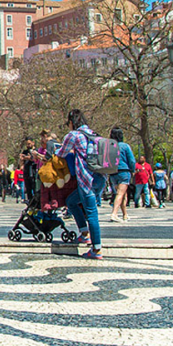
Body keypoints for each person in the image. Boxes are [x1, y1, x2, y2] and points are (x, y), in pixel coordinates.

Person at [58, 109, 104, 259]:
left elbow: (61, 153)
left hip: (86, 179)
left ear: (71, 122)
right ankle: (84, 233)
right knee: (71, 201)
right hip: (100, 178)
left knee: (91, 213)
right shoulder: (94, 134)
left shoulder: (74, 135)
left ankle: (96, 249)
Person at [107, 129, 132, 222]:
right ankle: (114, 213)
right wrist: (132, 169)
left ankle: (125, 214)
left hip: (113, 172)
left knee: (122, 194)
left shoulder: (109, 146)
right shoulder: (125, 146)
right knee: (120, 193)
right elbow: (131, 160)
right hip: (123, 171)